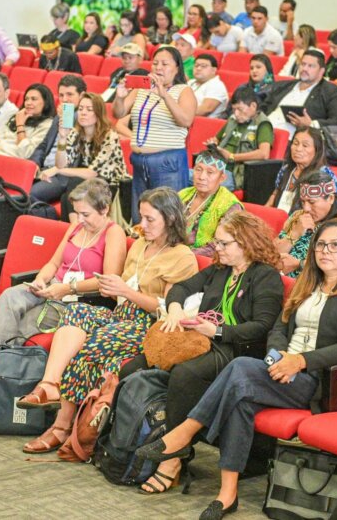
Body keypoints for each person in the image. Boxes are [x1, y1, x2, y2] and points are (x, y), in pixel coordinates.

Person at [136, 220, 337, 518]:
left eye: (334, 246)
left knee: (239, 368)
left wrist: (298, 361)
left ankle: (185, 433)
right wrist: (278, 356)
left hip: (318, 377)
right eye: (320, 245)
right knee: (242, 398)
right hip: (280, 367)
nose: (325, 251)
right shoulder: (309, 281)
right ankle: (227, 494)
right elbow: (278, 327)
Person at [16, 187, 198, 454]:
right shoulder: (140, 244)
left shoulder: (182, 257)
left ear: (170, 219)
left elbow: (166, 309)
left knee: (92, 347)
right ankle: (50, 384)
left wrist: (125, 291)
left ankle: (61, 426)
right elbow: (121, 288)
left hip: (149, 325)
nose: (142, 225)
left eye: (150, 219)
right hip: (121, 313)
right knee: (76, 312)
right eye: (141, 217)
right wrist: (112, 288)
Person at [119, 211, 283, 494]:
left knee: (185, 374)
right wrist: (175, 308)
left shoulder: (265, 277)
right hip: (202, 340)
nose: (216, 249)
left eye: (224, 243)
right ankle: (130, 445)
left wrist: (216, 331)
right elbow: (182, 287)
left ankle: (172, 458)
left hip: (236, 350)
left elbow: (261, 327)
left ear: (245, 243)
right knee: (135, 366)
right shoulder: (221, 269)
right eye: (216, 242)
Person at [0, 179, 127, 414]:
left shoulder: (114, 234)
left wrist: (68, 289)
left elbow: (108, 280)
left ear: (104, 210)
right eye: (77, 213)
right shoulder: (76, 228)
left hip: (77, 299)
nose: (79, 219)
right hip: (53, 287)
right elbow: (53, 262)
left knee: (23, 325)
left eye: (85, 214)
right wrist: (41, 279)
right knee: (11, 296)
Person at [112, 45, 195, 222]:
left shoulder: (183, 91)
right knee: (140, 216)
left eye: (165, 64)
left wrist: (164, 95)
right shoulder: (141, 89)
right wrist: (119, 97)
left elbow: (186, 120)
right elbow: (118, 113)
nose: (158, 67)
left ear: (177, 68)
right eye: (155, 63)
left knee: (166, 217)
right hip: (140, 161)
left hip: (167, 162)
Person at [31, 93, 127, 209]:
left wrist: (57, 171)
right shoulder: (76, 132)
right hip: (87, 182)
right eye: (81, 109)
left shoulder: (110, 136)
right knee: (68, 194)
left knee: (73, 186)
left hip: (111, 185)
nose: (83, 113)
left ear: (98, 114)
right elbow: (61, 163)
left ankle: (74, 225)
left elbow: (92, 173)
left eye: (89, 109)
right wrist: (62, 138)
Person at [275, 172, 337, 278]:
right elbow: (272, 254)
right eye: (303, 202)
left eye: (312, 202)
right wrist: (294, 234)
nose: (306, 208)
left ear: (330, 199)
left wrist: (298, 264)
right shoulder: (298, 216)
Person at [262, 49, 337, 135]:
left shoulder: (329, 91)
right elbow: (264, 106)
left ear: (321, 71)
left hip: (293, 140)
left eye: (310, 66)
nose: (304, 69)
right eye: (303, 64)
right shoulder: (284, 85)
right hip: (263, 131)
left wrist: (311, 124)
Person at [179, 150, 243, 257]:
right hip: (172, 251)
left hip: (203, 260)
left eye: (210, 172)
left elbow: (221, 245)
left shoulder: (230, 205)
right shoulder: (183, 194)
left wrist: (184, 255)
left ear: (222, 178)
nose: (202, 177)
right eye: (198, 170)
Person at [264, 127, 337, 212]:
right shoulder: (285, 169)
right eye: (295, 143)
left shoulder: (323, 173)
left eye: (305, 145)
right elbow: (275, 195)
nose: (298, 149)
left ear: (317, 150)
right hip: (281, 218)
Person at [209, 87, 274, 190]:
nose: (236, 114)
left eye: (240, 109)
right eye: (234, 109)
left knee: (201, 181)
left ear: (253, 106)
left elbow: (264, 153)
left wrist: (232, 156)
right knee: (185, 175)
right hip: (215, 167)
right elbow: (217, 139)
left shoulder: (262, 124)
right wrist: (213, 143)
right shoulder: (232, 120)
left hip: (235, 175)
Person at [0, 84, 56, 159]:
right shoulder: (16, 115)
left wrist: (20, 125)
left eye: (34, 99)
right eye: (26, 99)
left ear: (46, 103)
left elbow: (26, 154)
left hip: (12, 163)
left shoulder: (47, 125)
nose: (28, 103)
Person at [190, 54, 229, 118]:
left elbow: (205, 110)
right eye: (196, 65)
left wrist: (179, 113)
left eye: (203, 66)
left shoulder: (216, 86)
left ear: (214, 70)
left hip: (202, 124)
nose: (198, 68)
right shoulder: (191, 82)